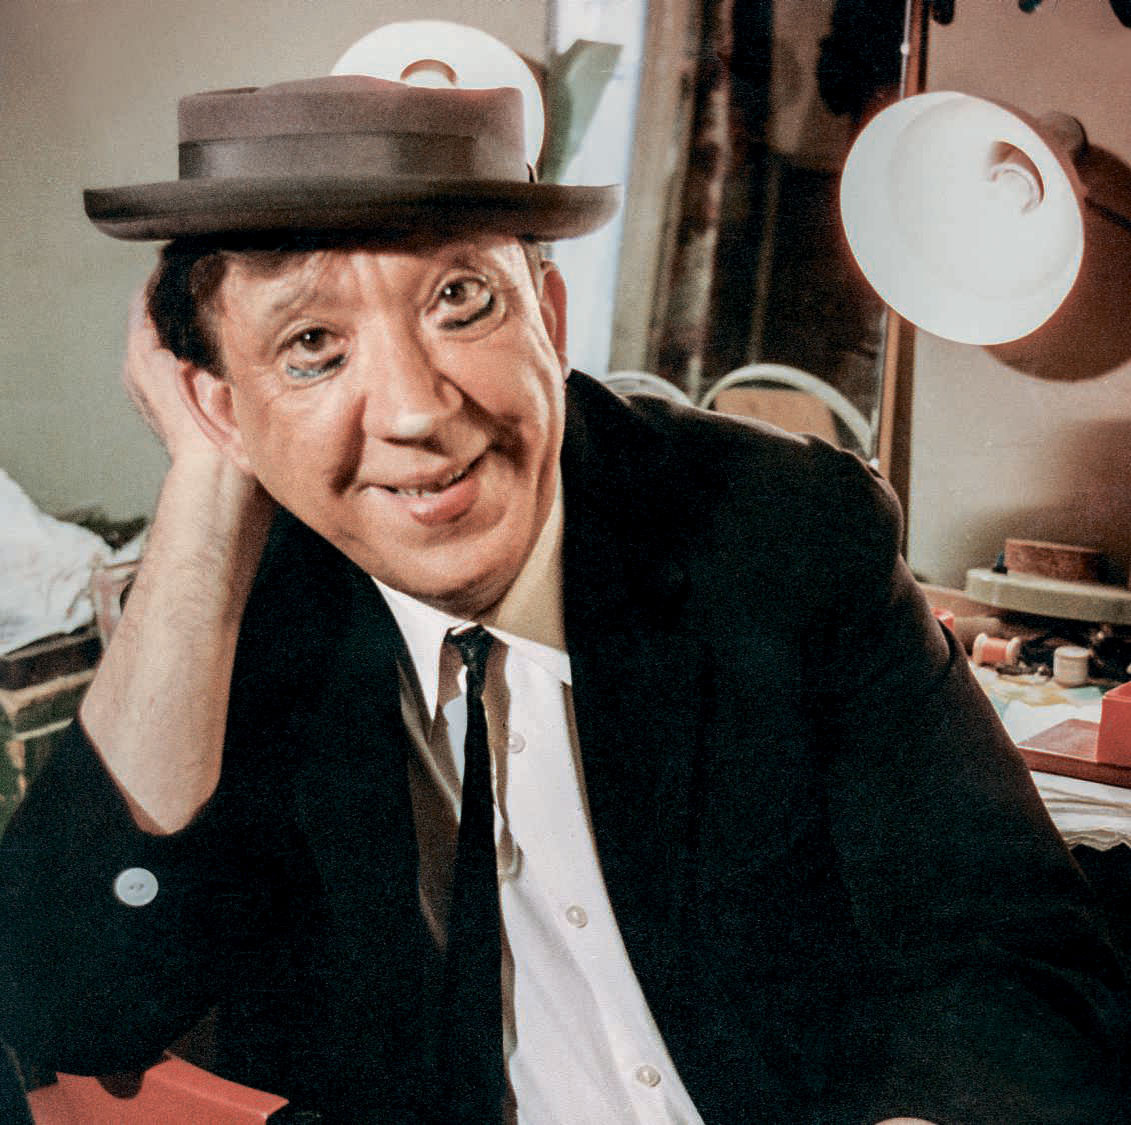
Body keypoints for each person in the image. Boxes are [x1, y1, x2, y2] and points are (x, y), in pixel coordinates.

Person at [0, 69, 1126, 1125]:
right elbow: (72, 1008)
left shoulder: (782, 531)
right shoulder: (246, 616)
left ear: (549, 313)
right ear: (218, 406)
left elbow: (1018, 961)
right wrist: (206, 486)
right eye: (311, 347)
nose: (415, 412)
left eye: (459, 299)